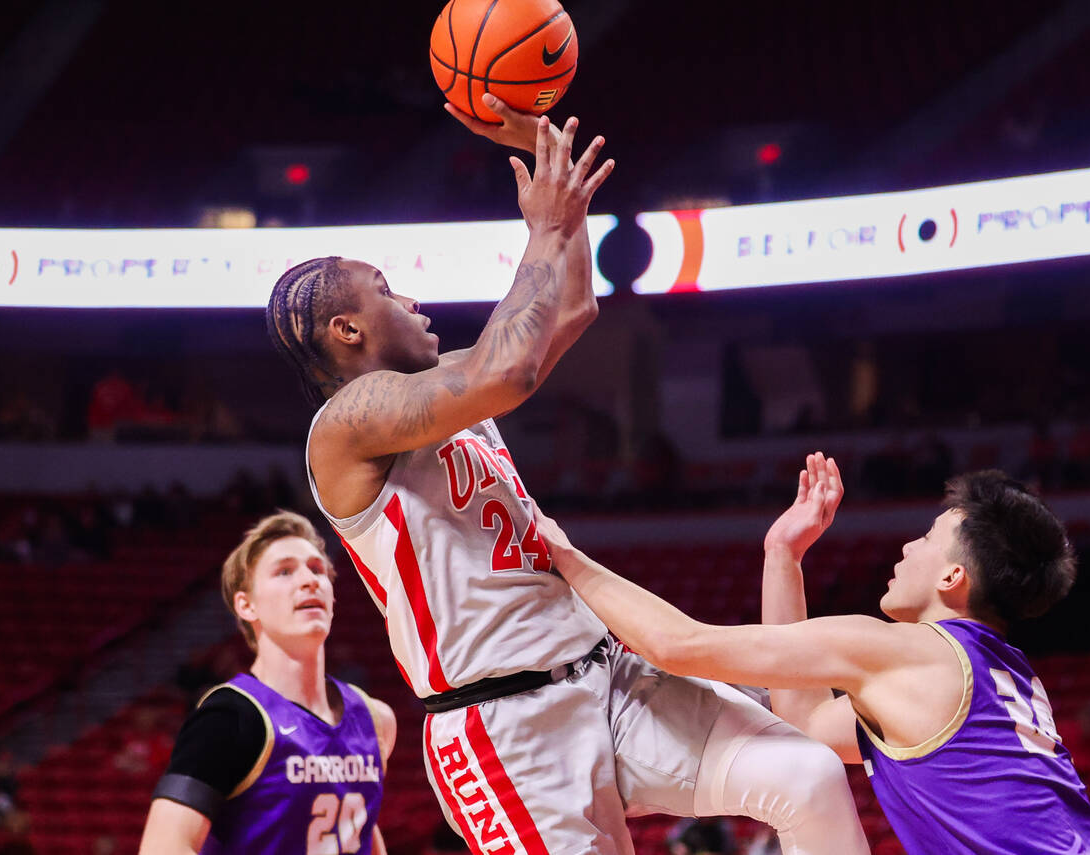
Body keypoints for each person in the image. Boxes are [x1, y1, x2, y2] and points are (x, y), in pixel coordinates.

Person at [267, 97, 869, 854]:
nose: (411, 300)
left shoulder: (452, 384)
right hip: (508, 729)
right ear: (346, 331)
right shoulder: (344, 427)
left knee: (807, 773)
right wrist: (543, 228)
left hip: (607, 674)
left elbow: (574, 307)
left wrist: (551, 172)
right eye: (386, 290)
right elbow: (509, 368)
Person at [537, 454, 1090, 854]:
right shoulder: (1001, 673)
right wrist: (782, 557)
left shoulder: (907, 653)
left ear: (951, 575)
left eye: (925, 538)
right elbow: (809, 723)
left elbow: (678, 645)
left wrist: (564, 554)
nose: (906, 545)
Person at [138, 511, 396, 854]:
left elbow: (362, 833)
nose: (309, 580)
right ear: (246, 605)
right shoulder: (228, 718)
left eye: (318, 569)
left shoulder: (376, 719)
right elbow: (163, 847)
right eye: (285, 571)